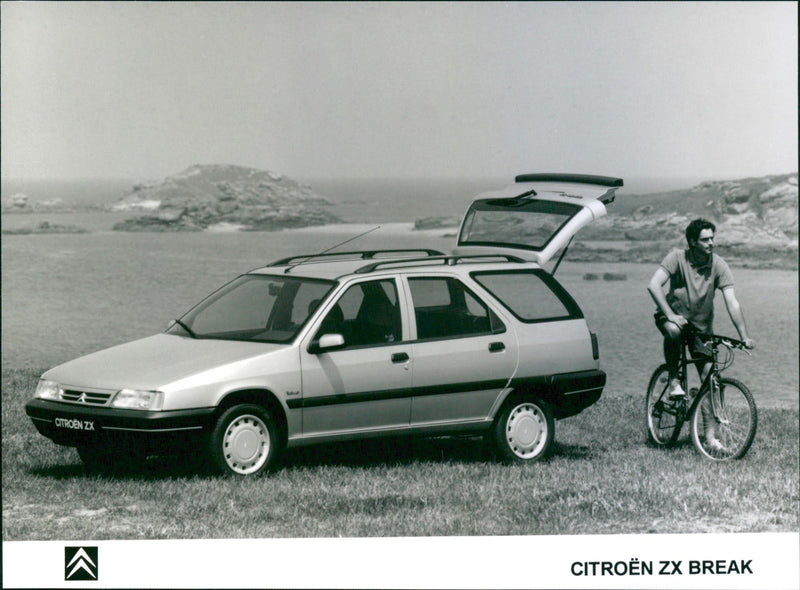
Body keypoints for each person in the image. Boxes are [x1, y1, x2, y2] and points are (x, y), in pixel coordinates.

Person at [647, 219, 755, 402]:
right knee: (673, 331)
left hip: (701, 328)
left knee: (709, 381)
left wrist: (744, 336)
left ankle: (708, 431)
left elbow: (732, 302)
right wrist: (671, 315)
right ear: (692, 241)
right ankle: (673, 380)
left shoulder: (719, 264)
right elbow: (654, 285)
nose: (711, 243)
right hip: (672, 317)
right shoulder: (676, 257)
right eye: (705, 240)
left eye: (712, 238)